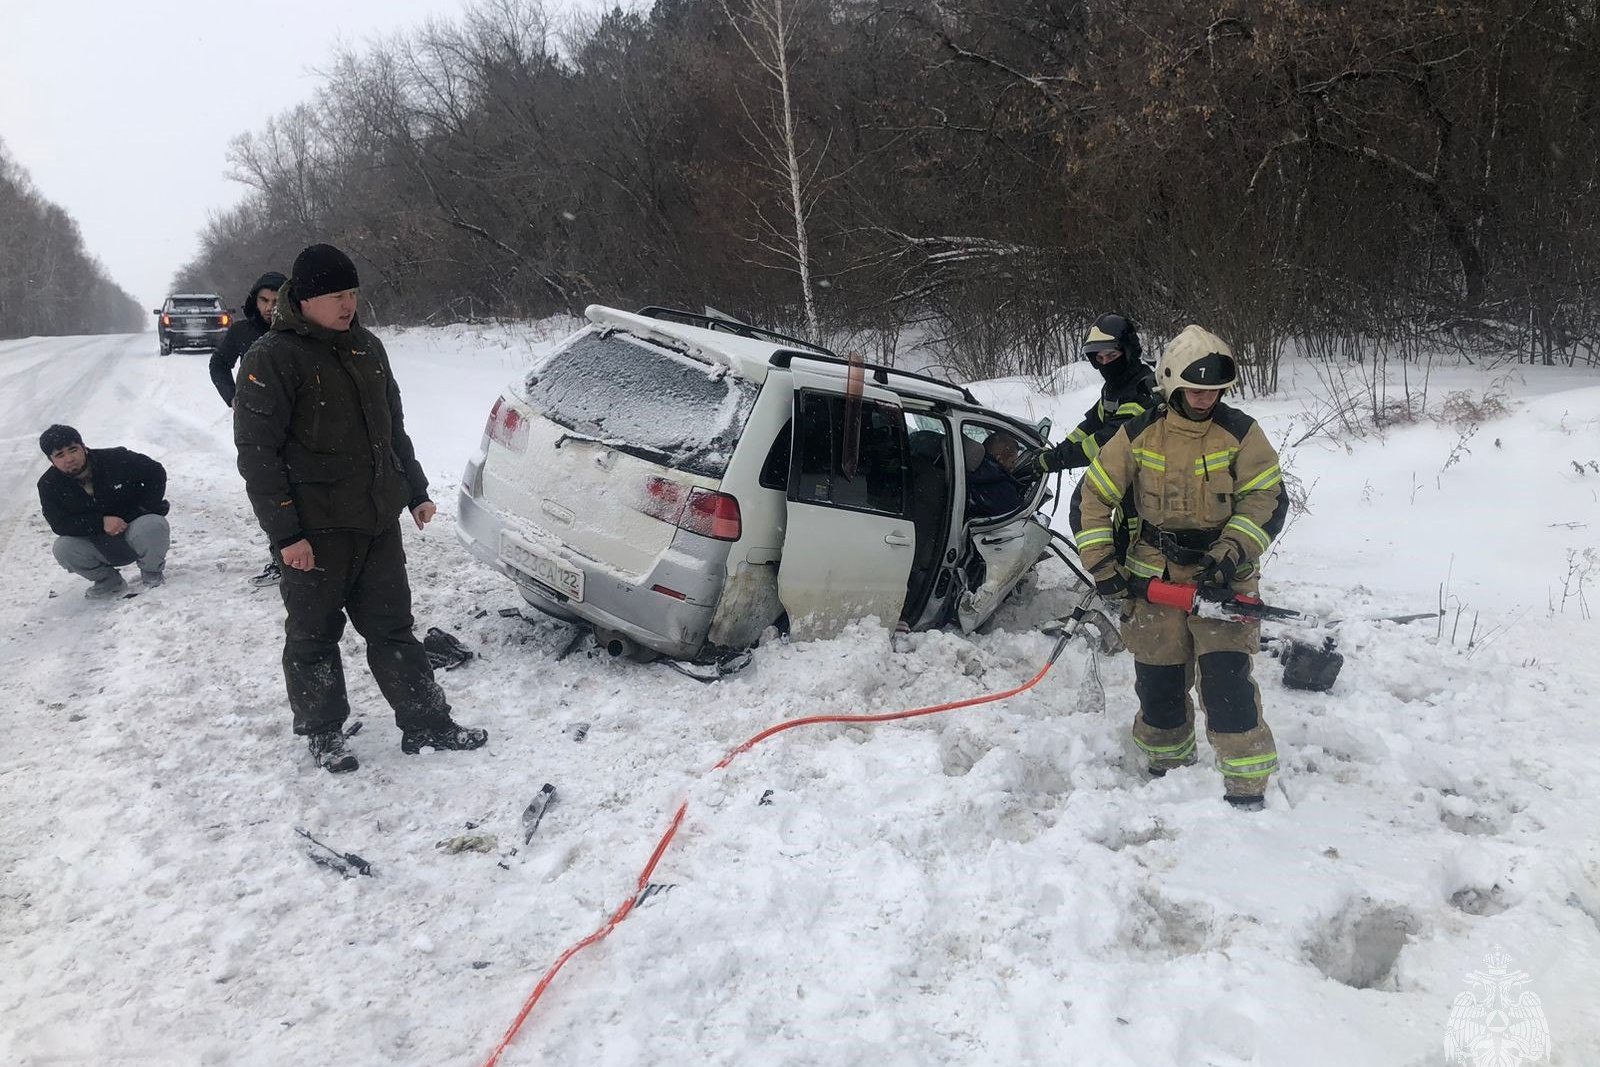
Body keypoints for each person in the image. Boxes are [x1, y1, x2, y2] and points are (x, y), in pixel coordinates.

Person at [234, 243, 486, 774]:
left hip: (375, 521)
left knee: (394, 628)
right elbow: (258, 456)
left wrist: (414, 490)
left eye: (352, 293)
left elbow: (391, 427)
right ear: (303, 298)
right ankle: (323, 731)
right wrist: (286, 536)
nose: (347, 304)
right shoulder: (270, 358)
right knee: (313, 635)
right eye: (335, 295)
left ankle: (426, 723)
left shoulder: (367, 346)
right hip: (314, 531)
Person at [1069, 325, 1287, 810]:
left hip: (1223, 575)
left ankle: (1247, 785)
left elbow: (1267, 499)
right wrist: (1103, 566)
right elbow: (1092, 498)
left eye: (1214, 390)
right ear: (1170, 383)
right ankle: (1166, 770)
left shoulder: (1241, 433)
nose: (1206, 399)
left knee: (1227, 681)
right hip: (1153, 573)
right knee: (1159, 680)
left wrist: (1231, 552)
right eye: (1195, 389)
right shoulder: (1137, 433)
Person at [210, 270, 287, 588]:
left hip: (297, 422)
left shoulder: (301, 330)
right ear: (254, 301)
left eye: (277, 300)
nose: (270, 307)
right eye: (264, 300)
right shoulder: (243, 331)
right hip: (255, 426)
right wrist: (232, 397)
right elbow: (218, 363)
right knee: (269, 489)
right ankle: (280, 558)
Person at [1016, 313, 1159, 476]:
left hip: (1150, 479)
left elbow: (1107, 442)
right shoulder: (1116, 387)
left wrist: (1054, 460)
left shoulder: (1141, 390)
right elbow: (1091, 424)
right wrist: (1059, 449)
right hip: (1125, 471)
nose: (1105, 364)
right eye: (1099, 358)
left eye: (1112, 356)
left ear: (1129, 352)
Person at [37, 424, 170, 598]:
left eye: (73, 449)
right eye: (60, 455)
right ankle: (108, 582)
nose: (69, 458)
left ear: (84, 448)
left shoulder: (116, 459)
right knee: (63, 548)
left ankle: (152, 573)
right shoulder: (48, 485)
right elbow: (60, 524)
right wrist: (101, 523)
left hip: (134, 532)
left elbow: (156, 472)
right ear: (51, 460)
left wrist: (142, 509)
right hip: (98, 545)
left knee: (153, 524)